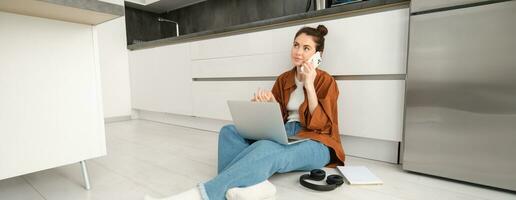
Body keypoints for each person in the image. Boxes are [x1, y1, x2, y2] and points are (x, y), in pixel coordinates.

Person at [145, 24, 345, 200]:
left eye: (306, 48)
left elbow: (321, 126)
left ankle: (203, 194)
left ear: (319, 55)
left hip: (318, 142)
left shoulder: (325, 81)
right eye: (296, 45)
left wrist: (309, 86)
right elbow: (278, 119)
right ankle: (257, 186)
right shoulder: (284, 79)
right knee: (228, 132)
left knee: (267, 147)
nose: (298, 52)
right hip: (286, 132)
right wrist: (269, 105)